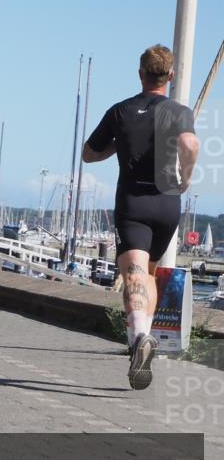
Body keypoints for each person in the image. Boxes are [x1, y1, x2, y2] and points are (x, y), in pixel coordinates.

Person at [83, 44, 199, 390]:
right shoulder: (179, 112)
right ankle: (144, 339)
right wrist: (187, 176)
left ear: (140, 74)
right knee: (148, 274)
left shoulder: (121, 111)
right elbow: (191, 145)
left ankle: (139, 339)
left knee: (133, 273)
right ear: (171, 76)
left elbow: (89, 154)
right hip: (167, 204)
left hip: (133, 204)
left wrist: (118, 143)